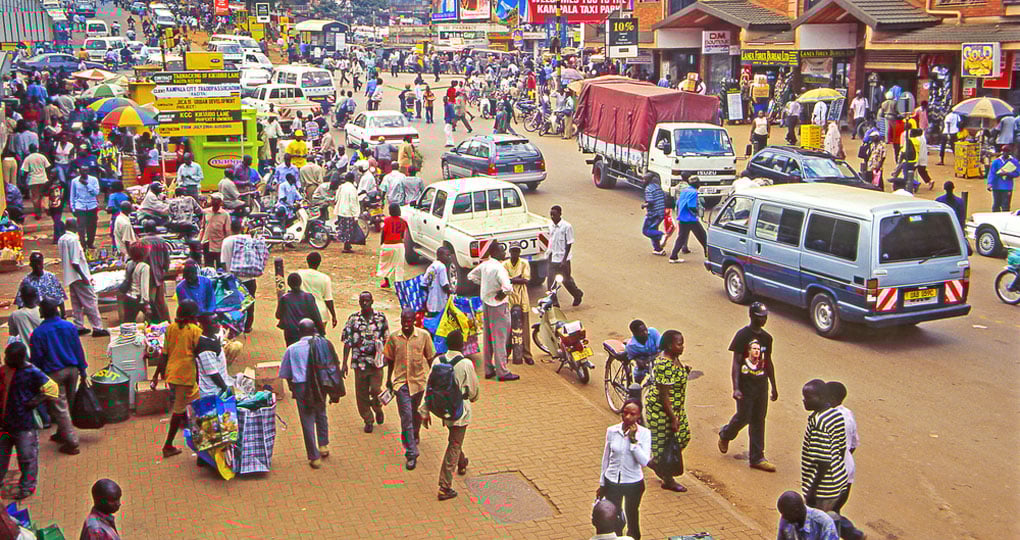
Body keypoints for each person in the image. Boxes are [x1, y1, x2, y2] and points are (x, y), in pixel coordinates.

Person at [419, 329, 479, 501]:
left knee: (454, 439)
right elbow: (474, 390)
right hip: (461, 411)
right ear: (461, 345)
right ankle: (445, 486)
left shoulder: (438, 361)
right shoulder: (466, 364)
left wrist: (425, 409)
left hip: (443, 409)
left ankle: (462, 462)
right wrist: (473, 398)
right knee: (454, 443)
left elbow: (429, 386)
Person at [718, 302, 778, 471]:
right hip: (745, 386)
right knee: (744, 416)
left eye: (765, 317)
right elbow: (736, 363)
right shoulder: (742, 336)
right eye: (760, 317)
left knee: (759, 419)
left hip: (761, 385)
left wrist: (773, 385)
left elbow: (768, 362)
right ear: (752, 316)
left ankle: (757, 457)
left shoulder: (767, 338)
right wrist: (736, 387)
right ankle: (726, 434)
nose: (763, 320)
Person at [279, 319, 341, 469]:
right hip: (320, 383)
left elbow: (285, 373)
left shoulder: (292, 349)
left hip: (301, 387)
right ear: (314, 330)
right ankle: (323, 445)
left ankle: (314, 457)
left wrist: (293, 388)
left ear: (299, 331)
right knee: (321, 412)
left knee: (307, 420)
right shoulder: (323, 344)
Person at [0, 342, 58, 500]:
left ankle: (27, 487)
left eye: (9, 357)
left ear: (20, 358)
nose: (5, 359)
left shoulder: (32, 372)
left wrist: (35, 402)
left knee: (27, 458)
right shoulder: (5, 371)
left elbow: (52, 388)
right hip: (5, 424)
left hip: (24, 425)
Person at [29, 299, 85, 455]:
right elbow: (77, 349)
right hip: (72, 370)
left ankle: (72, 442)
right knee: (69, 402)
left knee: (60, 408)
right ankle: (62, 433)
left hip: (53, 373)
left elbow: (37, 358)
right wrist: (83, 369)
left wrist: (37, 378)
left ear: (43, 313)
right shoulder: (69, 326)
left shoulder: (39, 333)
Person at [383, 309, 435, 470]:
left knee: (416, 415)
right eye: (403, 320)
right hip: (401, 384)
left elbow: (431, 358)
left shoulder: (423, 336)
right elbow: (390, 359)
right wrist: (388, 379)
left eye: (408, 321)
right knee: (406, 418)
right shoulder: (393, 338)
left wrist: (434, 380)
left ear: (414, 320)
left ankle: (414, 434)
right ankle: (411, 453)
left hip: (419, 383)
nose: (406, 324)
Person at [149, 300, 201, 458]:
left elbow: (164, 354)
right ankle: (168, 445)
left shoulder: (171, 329)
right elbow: (199, 354)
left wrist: (156, 375)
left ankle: (197, 437)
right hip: (186, 376)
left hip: (172, 375)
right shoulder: (194, 330)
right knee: (181, 410)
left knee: (192, 406)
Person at [597, 399, 651, 540]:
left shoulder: (644, 434)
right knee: (614, 515)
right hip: (612, 480)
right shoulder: (612, 431)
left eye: (632, 414)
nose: (627, 417)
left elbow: (644, 461)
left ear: (638, 416)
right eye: (625, 413)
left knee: (632, 513)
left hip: (633, 482)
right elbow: (606, 458)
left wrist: (633, 442)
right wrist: (602, 483)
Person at [644, 329, 690, 493]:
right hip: (662, 410)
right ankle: (667, 479)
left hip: (676, 408)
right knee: (664, 443)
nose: (682, 347)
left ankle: (658, 462)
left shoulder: (675, 358)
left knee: (683, 436)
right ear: (670, 345)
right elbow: (664, 395)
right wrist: (672, 418)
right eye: (679, 344)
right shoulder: (664, 364)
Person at [468, 242, 517, 381]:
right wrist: (501, 294)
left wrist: (484, 285)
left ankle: (488, 369)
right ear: (495, 252)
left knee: (488, 337)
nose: (504, 253)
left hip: (486, 303)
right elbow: (508, 288)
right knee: (500, 338)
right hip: (498, 306)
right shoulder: (499, 268)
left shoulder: (485, 265)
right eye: (502, 251)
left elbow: (471, 276)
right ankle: (502, 371)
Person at [342, 292, 389, 433]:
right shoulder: (353, 319)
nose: (365, 303)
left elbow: (387, 338)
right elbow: (347, 341)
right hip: (359, 362)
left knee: (376, 389)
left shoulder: (380, 318)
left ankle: (377, 408)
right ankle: (368, 419)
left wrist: (387, 356)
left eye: (367, 300)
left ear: (372, 301)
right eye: (362, 301)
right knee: (361, 393)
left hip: (376, 362)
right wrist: (344, 362)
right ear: (359, 302)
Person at [59, 218, 107, 336]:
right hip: (79, 276)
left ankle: (78, 325)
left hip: (70, 276)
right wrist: (84, 277)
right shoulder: (73, 240)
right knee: (90, 301)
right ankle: (97, 328)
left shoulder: (62, 239)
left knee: (76, 302)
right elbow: (75, 262)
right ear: (74, 227)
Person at [826, 381, 859, 515]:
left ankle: (851, 533)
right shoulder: (848, 414)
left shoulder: (828, 419)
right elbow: (853, 444)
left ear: (832, 399)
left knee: (825, 513)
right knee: (833, 512)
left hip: (833, 475)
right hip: (848, 470)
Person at [502, 246, 534, 365]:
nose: (515, 253)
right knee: (508, 327)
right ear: (509, 252)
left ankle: (527, 354)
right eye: (513, 251)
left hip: (522, 296)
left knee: (524, 327)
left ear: (519, 252)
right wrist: (517, 278)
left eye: (517, 251)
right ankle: (506, 353)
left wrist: (511, 279)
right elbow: (504, 281)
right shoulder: (505, 264)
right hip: (509, 297)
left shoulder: (524, 263)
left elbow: (526, 280)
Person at [547, 205, 583, 306]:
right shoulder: (550, 226)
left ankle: (577, 294)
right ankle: (554, 302)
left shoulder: (567, 226)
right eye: (551, 215)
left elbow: (569, 243)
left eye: (554, 214)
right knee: (551, 282)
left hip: (563, 260)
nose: (552, 217)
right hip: (552, 258)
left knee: (566, 281)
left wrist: (564, 260)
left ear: (560, 214)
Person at [276, 273, 324, 346]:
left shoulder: (285, 299)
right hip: (307, 331)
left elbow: (278, 315)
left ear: (289, 284)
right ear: (300, 283)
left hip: (291, 333)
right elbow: (316, 316)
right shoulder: (308, 297)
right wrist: (322, 331)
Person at [668, 179, 707, 263]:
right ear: (698, 185)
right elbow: (691, 205)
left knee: (681, 237)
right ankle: (708, 254)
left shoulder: (684, 191)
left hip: (682, 217)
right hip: (690, 218)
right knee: (702, 235)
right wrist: (697, 212)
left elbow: (678, 202)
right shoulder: (694, 192)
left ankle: (673, 256)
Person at [297, 251, 338, 329]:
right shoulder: (325, 278)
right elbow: (328, 300)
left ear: (307, 261)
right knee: (319, 338)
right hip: (320, 313)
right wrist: (333, 315)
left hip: (303, 311)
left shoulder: (300, 274)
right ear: (319, 263)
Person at [377, 204, 407, 288]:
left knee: (385, 264)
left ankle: (386, 282)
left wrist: (382, 243)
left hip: (388, 245)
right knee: (399, 266)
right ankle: (399, 286)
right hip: (399, 245)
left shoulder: (386, 220)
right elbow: (402, 234)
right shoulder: (403, 221)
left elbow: (383, 233)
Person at [69, 167, 100, 249]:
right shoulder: (75, 181)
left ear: (88, 171)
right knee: (81, 227)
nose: (85, 172)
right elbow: (72, 195)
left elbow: (96, 192)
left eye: (86, 171)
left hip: (92, 206)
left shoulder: (93, 180)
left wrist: (87, 184)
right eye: (83, 171)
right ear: (80, 171)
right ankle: (82, 244)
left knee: (92, 226)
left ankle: (90, 243)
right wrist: (73, 207)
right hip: (80, 206)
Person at [199, 194, 231, 268]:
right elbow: (203, 227)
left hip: (219, 245)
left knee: (220, 267)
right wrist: (200, 240)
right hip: (207, 243)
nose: (214, 202)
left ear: (220, 202)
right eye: (213, 199)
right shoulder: (206, 212)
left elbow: (227, 231)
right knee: (208, 267)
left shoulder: (225, 215)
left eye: (217, 200)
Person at [624, 320, 659, 384]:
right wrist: (637, 360)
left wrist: (651, 358)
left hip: (655, 360)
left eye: (645, 330)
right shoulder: (632, 346)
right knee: (638, 377)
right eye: (641, 332)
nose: (645, 333)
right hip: (643, 364)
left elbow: (661, 349)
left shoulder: (653, 332)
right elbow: (631, 357)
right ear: (635, 334)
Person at [20, 144, 50, 219]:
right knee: (45, 195)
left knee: (35, 197)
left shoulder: (28, 158)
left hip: (33, 180)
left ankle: (38, 213)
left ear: (29, 150)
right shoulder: (42, 157)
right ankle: (46, 207)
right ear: (37, 149)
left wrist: (24, 181)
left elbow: (25, 171)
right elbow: (48, 167)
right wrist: (48, 177)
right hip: (43, 179)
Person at [9, 285, 42, 350]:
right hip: (42, 353)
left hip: (24, 355)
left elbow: (13, 334)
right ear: (36, 296)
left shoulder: (15, 315)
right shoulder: (43, 312)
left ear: (22, 298)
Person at [423, 246, 453, 317]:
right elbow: (444, 285)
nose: (449, 257)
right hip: (439, 303)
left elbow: (424, 282)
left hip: (431, 302)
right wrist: (451, 293)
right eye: (447, 255)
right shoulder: (442, 267)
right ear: (440, 256)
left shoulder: (432, 266)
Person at [640, 173, 666, 254]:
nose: (643, 181)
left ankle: (662, 235)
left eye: (644, 179)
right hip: (661, 212)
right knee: (653, 230)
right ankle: (658, 249)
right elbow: (664, 197)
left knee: (646, 231)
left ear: (648, 180)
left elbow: (650, 202)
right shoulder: (657, 186)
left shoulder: (648, 189)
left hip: (654, 213)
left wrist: (644, 205)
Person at [987, 146, 1018, 212]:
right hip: (996, 186)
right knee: (996, 205)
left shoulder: (1014, 161)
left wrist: (1008, 174)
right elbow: (992, 173)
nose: (1005, 153)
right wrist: (989, 183)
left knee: (1006, 205)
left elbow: (1017, 173)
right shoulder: (996, 162)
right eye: (1003, 151)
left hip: (1007, 187)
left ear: (1010, 152)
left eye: (1007, 151)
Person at [334, 173, 360, 253]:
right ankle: (347, 246)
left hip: (341, 211)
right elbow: (353, 202)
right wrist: (355, 215)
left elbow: (336, 198)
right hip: (348, 212)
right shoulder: (352, 189)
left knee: (343, 229)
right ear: (353, 179)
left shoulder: (341, 187)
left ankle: (346, 244)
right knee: (348, 230)